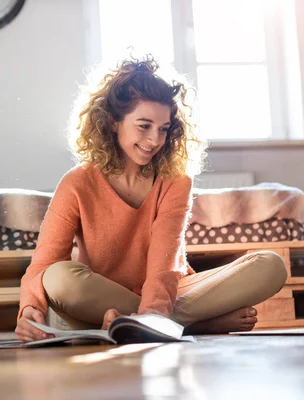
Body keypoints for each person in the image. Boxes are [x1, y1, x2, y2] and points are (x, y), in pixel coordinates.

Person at [15, 55, 287, 342]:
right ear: (112, 122)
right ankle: (191, 324)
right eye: (144, 126)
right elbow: (44, 262)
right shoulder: (77, 182)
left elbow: (163, 265)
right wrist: (29, 309)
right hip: (99, 299)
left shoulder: (175, 180)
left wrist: (154, 310)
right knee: (58, 278)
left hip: (167, 292)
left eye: (163, 128)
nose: (154, 140)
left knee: (270, 265)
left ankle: (136, 324)